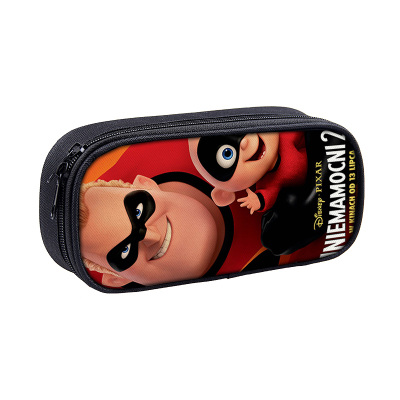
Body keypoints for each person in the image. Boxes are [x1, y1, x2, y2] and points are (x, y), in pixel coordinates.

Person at [188, 132, 308, 214]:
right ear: (224, 193)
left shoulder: (285, 135)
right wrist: (258, 201)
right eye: (227, 154)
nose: (244, 142)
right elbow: (268, 195)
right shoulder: (269, 182)